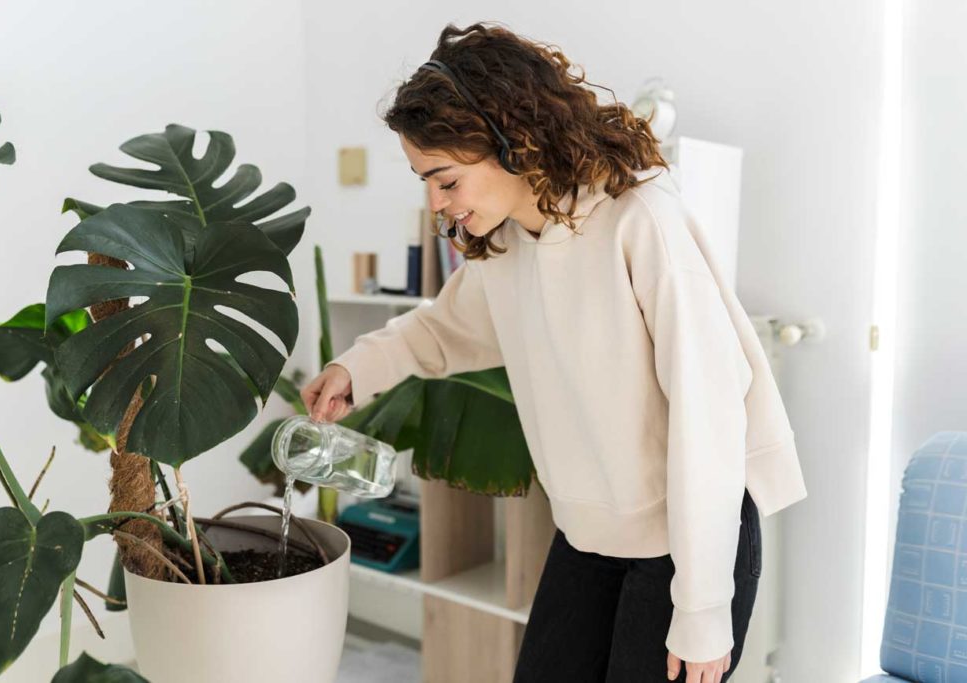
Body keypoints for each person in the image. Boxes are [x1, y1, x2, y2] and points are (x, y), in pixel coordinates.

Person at [300, 21, 807, 683]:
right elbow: (441, 329)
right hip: (590, 536)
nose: (436, 203)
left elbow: (710, 419)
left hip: (693, 537)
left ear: (510, 140)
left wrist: (704, 605)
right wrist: (354, 367)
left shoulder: (641, 220)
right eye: (425, 181)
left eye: (446, 179)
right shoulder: (508, 247)